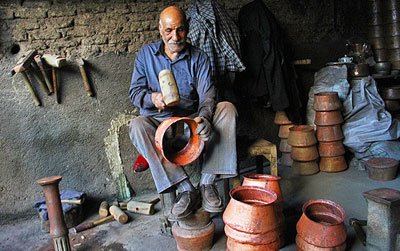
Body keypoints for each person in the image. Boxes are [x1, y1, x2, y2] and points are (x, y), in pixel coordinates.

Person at [128, 6, 237, 221]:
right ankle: (186, 188)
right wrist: (154, 98)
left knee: (227, 109)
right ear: (160, 29)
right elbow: (135, 92)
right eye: (169, 30)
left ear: (187, 30)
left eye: (180, 30)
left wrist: (204, 118)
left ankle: (207, 184)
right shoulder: (145, 55)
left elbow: (207, 95)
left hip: (191, 124)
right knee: (137, 125)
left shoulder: (200, 58)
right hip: (161, 127)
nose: (175, 37)